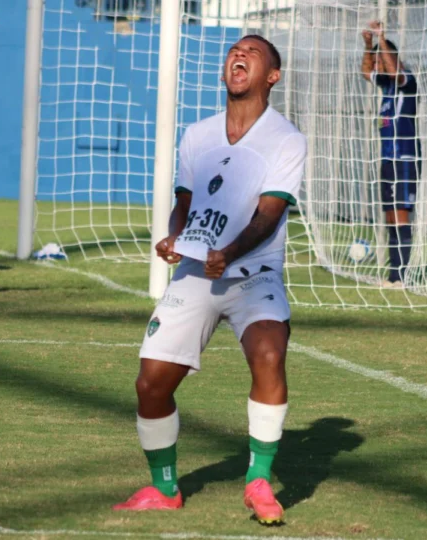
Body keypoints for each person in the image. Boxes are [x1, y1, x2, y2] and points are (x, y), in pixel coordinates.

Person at [112, 35, 307, 526]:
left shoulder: (286, 138)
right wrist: (176, 238)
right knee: (150, 383)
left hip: (255, 271)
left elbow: (269, 215)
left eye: (252, 53)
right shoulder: (197, 134)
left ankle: (258, 480)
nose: (238, 56)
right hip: (197, 272)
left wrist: (230, 253)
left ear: (272, 76)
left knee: (269, 354)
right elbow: (185, 203)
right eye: (234, 51)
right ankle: (165, 488)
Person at [361, 21, 420, 287]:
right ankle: (394, 275)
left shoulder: (407, 82)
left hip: (404, 158)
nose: (377, 66)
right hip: (387, 160)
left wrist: (381, 38)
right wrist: (367, 45)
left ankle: (401, 276)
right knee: (389, 216)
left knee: (400, 215)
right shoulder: (385, 87)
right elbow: (365, 71)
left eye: (380, 61)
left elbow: (394, 70)